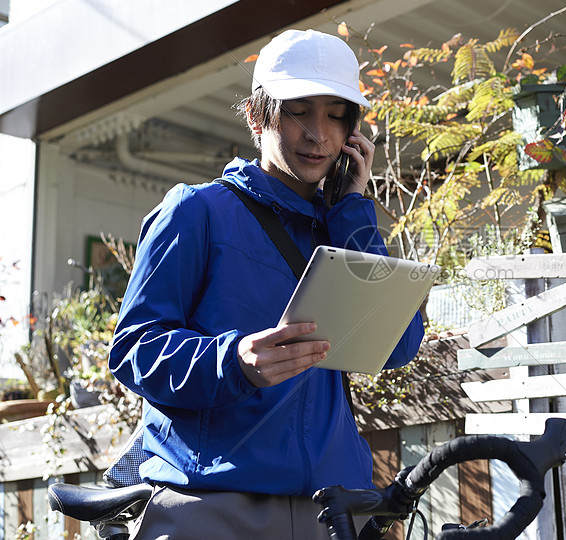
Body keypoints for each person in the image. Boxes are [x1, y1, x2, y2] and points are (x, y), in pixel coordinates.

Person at [109, 29, 425, 539]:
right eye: (298, 110)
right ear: (258, 117)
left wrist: (351, 210)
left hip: (335, 510)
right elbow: (133, 348)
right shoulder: (197, 211)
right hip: (213, 507)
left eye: (335, 114)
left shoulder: (342, 225)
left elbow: (399, 343)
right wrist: (233, 361)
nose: (318, 134)